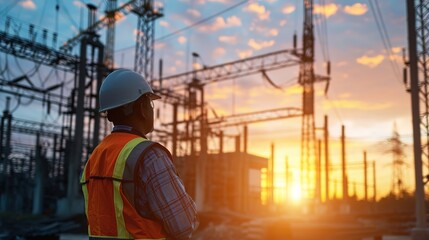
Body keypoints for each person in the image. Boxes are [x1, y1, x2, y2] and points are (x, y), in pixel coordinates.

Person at [80, 69, 198, 240]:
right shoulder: (149, 156)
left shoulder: (95, 157)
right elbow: (184, 224)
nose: (151, 109)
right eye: (149, 103)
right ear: (142, 108)